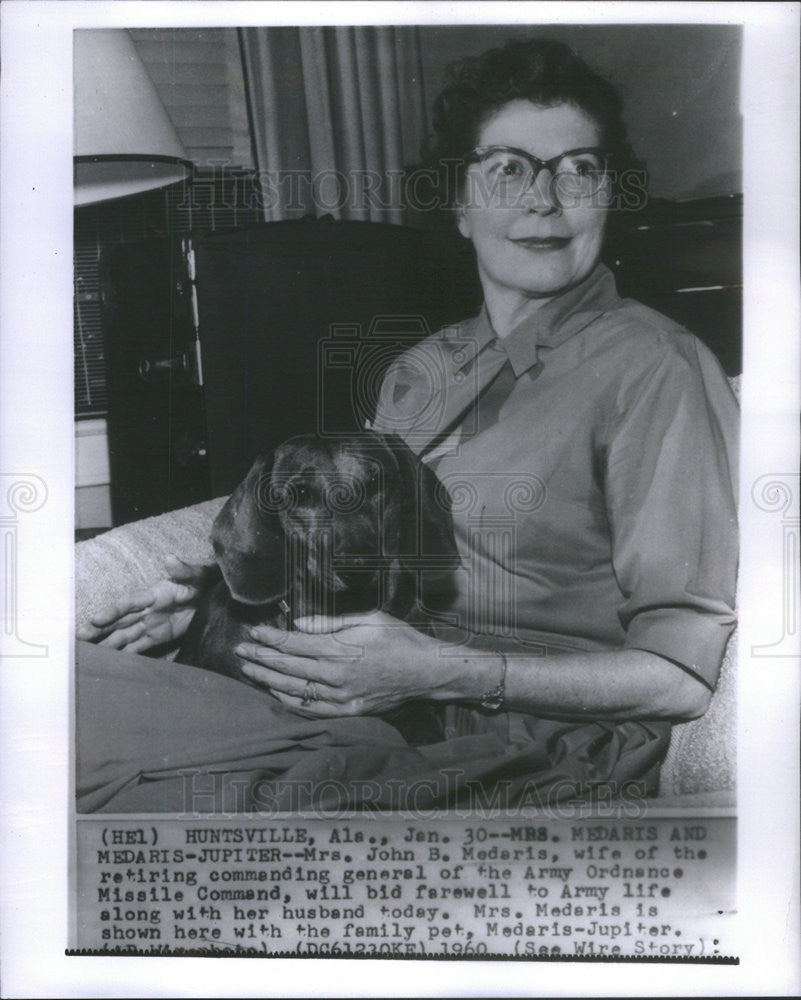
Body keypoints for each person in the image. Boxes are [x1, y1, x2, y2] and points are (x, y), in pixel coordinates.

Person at [78, 38, 738, 804]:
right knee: (47, 690)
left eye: (579, 170)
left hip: (522, 744)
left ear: (608, 195)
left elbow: (678, 679)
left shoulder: (657, 368)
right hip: (376, 704)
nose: (544, 200)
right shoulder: (424, 366)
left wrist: (438, 670)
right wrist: (215, 604)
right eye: (508, 169)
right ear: (457, 204)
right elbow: (352, 544)